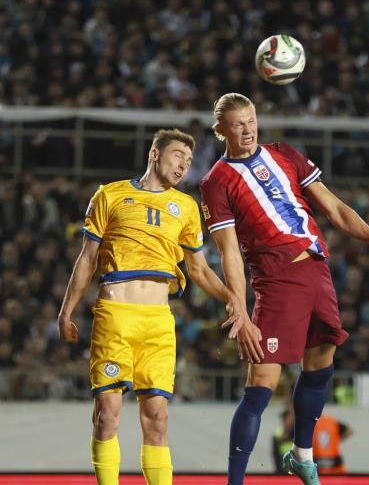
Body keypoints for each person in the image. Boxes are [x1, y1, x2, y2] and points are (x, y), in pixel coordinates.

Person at [199, 93, 369, 484]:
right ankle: (234, 481)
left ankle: (302, 455)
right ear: (220, 130)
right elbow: (229, 253)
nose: (247, 130)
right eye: (238, 124)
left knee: (321, 365)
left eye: (251, 121)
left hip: (317, 270)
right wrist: (240, 310)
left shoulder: (285, 154)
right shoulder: (216, 183)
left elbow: (334, 208)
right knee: (262, 384)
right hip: (277, 281)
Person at [58, 128, 245, 485]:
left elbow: (200, 269)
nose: (184, 166)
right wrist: (67, 310)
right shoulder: (110, 195)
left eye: (189, 162)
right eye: (178, 156)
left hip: (158, 322)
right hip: (115, 317)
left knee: (158, 418)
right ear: (155, 154)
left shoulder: (187, 208)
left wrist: (232, 297)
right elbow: (87, 259)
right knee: (107, 415)